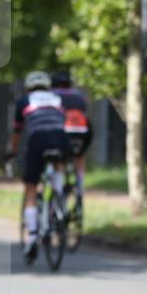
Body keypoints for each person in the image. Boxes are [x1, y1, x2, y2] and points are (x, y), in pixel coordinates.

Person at [5, 71, 69, 260]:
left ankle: (32, 236)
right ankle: (59, 198)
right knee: (59, 164)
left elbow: (17, 133)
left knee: (31, 189)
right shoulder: (57, 99)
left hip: (38, 139)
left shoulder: (24, 101)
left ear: (28, 87)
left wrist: (12, 153)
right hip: (60, 137)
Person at [51, 69, 91, 205]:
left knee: (59, 160)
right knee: (79, 156)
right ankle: (80, 187)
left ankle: (58, 191)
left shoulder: (52, 95)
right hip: (83, 130)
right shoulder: (78, 94)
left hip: (63, 129)